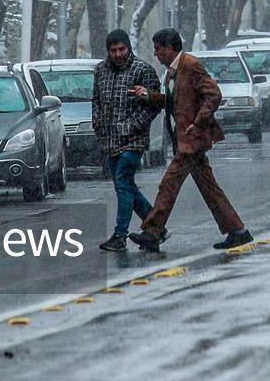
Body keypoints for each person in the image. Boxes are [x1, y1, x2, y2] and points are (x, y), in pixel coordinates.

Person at [130, 28, 252, 252]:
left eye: (158, 49)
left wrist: (198, 123)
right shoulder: (172, 71)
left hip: (191, 140)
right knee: (209, 188)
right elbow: (173, 102)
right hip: (186, 140)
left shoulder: (190, 65)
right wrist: (148, 96)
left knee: (169, 184)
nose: (156, 54)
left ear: (169, 48)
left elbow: (213, 94)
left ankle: (152, 232)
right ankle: (238, 231)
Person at [92, 29, 163, 252]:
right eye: (113, 50)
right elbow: (96, 100)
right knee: (127, 186)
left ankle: (120, 235)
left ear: (128, 48)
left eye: (121, 49)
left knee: (123, 182)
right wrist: (97, 122)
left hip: (134, 141)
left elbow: (155, 105)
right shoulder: (100, 71)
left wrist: (132, 125)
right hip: (109, 140)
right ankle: (156, 227)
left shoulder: (143, 70)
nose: (118, 54)